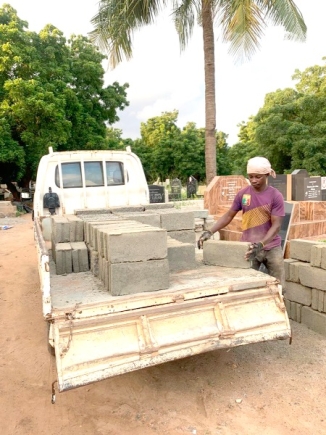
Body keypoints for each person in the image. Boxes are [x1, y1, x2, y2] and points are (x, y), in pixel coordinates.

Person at [198, 156, 285, 289]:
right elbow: (228, 215)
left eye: (258, 177)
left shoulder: (275, 196)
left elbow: (276, 226)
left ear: (267, 175)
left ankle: (280, 307)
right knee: (248, 285)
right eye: (250, 176)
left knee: (279, 287)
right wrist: (210, 231)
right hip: (248, 247)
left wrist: (261, 245)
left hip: (272, 247)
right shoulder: (243, 194)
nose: (253, 180)